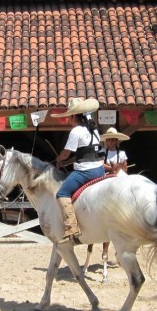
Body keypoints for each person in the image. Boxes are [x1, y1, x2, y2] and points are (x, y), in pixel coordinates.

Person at [52, 97, 104, 243]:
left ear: (74, 116)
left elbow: (67, 152)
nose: (69, 119)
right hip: (99, 171)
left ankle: (71, 227)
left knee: (62, 193)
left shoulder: (76, 131)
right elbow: (85, 153)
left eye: (70, 116)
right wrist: (68, 162)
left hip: (85, 172)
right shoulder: (94, 131)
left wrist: (59, 159)